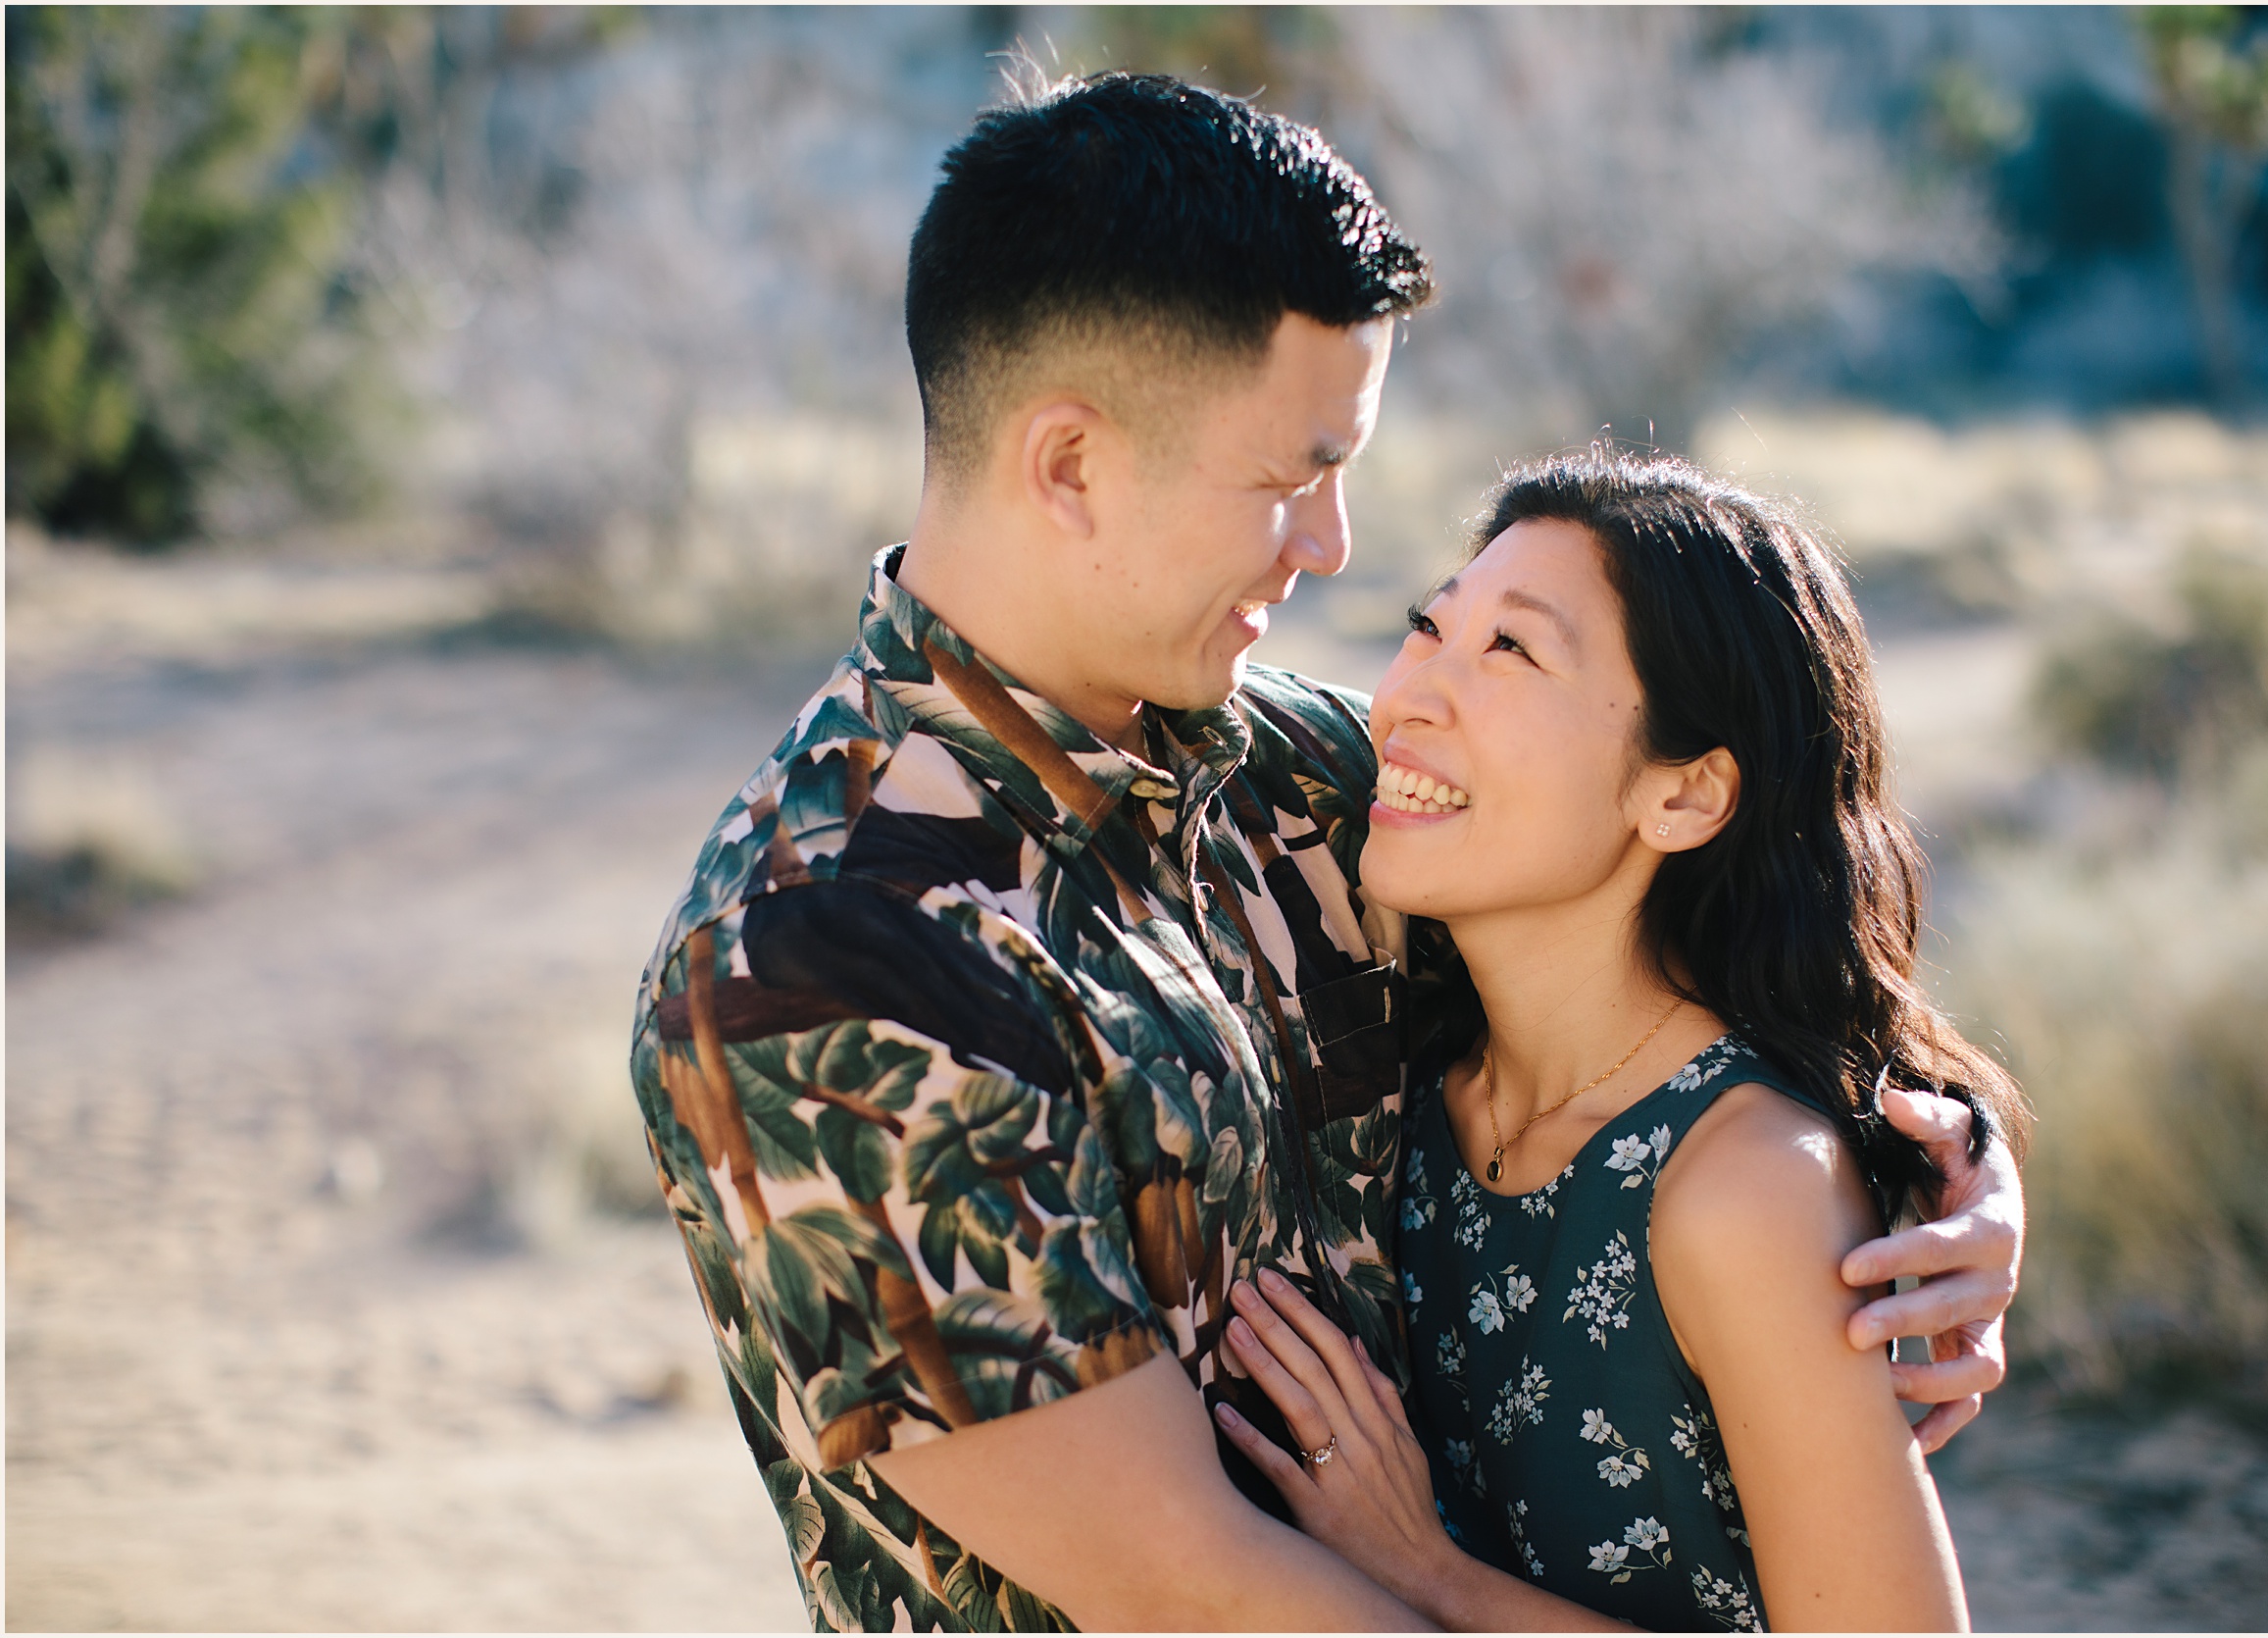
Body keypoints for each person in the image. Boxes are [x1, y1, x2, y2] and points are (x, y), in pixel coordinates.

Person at [629, 71, 2025, 1633]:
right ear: (1072, 464)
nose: (1335, 546)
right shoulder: (822, 961)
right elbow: (1208, 1592)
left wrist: (1933, 1172)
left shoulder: (1303, 770)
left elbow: (1677, 914)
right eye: (1291, 478)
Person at [1213, 452, 2029, 1631]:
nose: (1409, 697)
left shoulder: (1740, 1184)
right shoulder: (1423, 1066)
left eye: (1511, 651)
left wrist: (1425, 1573)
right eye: (1427, 629)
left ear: (1685, 795)